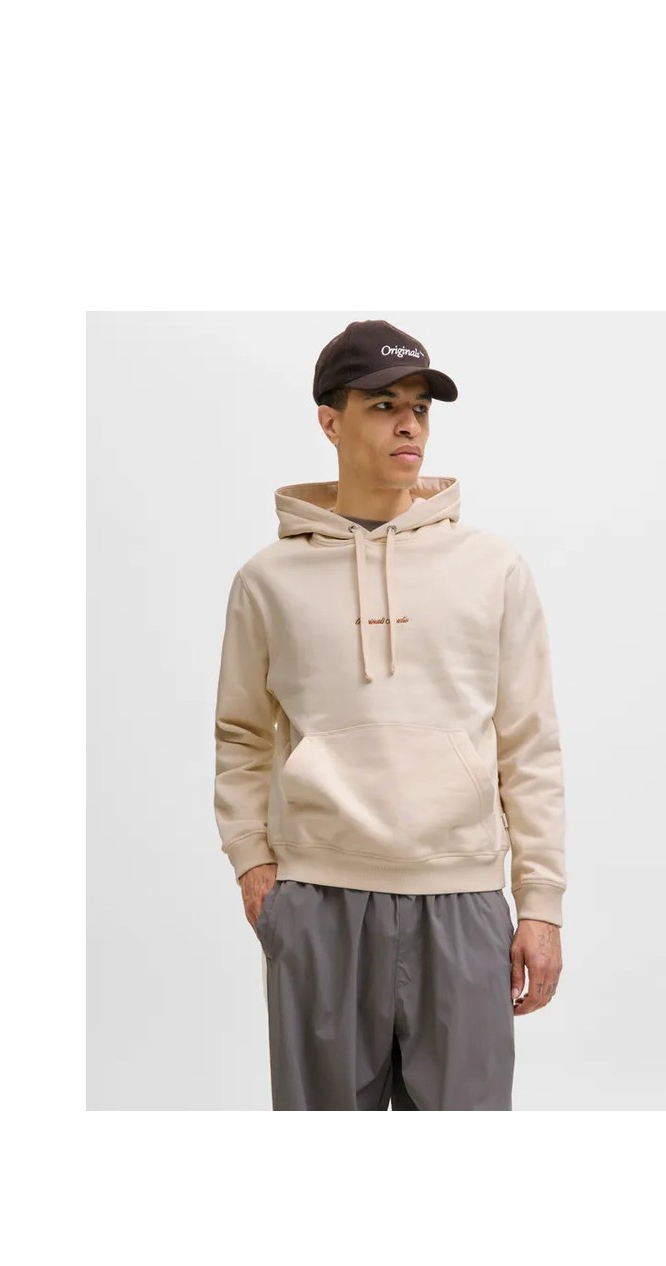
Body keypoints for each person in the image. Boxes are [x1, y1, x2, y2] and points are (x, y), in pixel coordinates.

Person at [213, 318, 565, 1110]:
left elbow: (530, 743)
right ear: (329, 421)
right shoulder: (268, 580)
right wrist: (253, 864)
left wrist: (541, 904)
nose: (409, 424)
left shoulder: (493, 568)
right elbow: (240, 734)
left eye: (421, 407)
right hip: (318, 901)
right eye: (382, 405)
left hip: (463, 900)